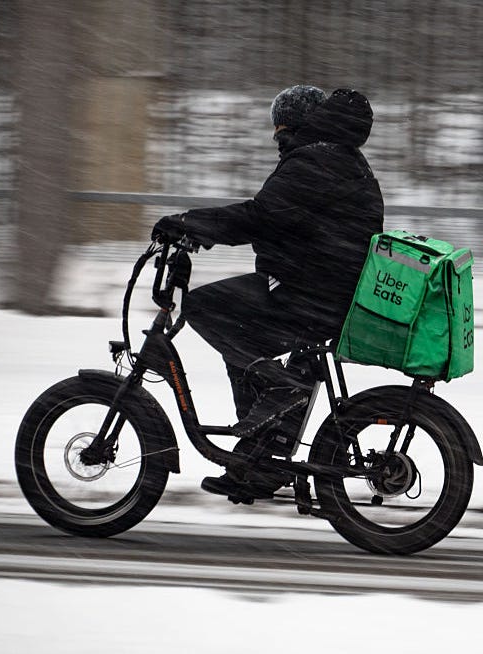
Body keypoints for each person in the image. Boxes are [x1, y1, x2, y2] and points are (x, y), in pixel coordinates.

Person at [152, 85, 384, 499]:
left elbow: (261, 217)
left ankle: (280, 395)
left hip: (309, 292)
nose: (276, 137)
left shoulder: (315, 160)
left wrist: (190, 224)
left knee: (205, 307)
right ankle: (259, 461)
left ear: (297, 124)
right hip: (325, 290)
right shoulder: (338, 158)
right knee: (243, 343)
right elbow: (284, 221)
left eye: (281, 128)